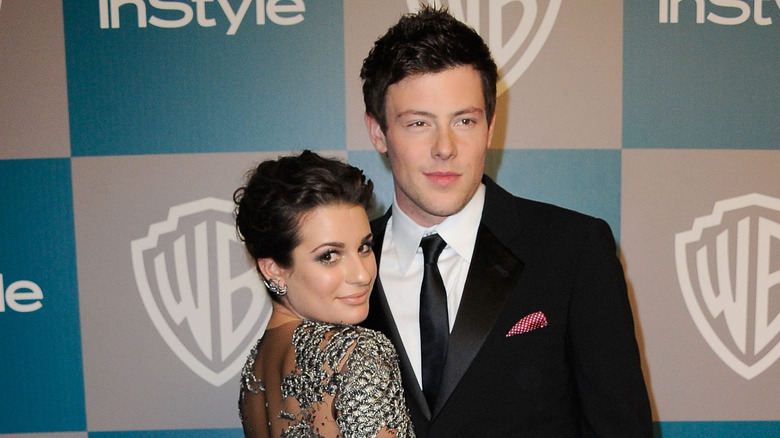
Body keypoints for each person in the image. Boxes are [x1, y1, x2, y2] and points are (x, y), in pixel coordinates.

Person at [359, 6, 653, 437]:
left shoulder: (574, 250)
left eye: (464, 120)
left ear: (490, 126)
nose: (446, 147)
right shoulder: (340, 270)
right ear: (378, 132)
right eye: (419, 123)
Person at [235, 150, 415, 438]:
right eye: (329, 255)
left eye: (364, 247)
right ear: (274, 269)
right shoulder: (356, 352)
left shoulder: (255, 370)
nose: (362, 274)